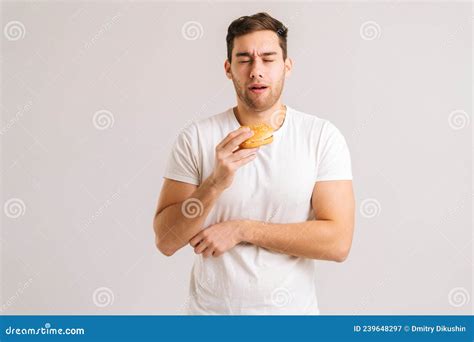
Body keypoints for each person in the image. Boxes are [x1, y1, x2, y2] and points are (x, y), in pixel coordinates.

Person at [153, 12, 355, 315]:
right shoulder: (196, 138)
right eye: (244, 59)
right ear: (228, 68)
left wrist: (242, 230)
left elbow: (338, 243)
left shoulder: (321, 137)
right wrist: (214, 184)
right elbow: (167, 241)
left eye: (269, 59)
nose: (256, 71)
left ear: (287, 67)